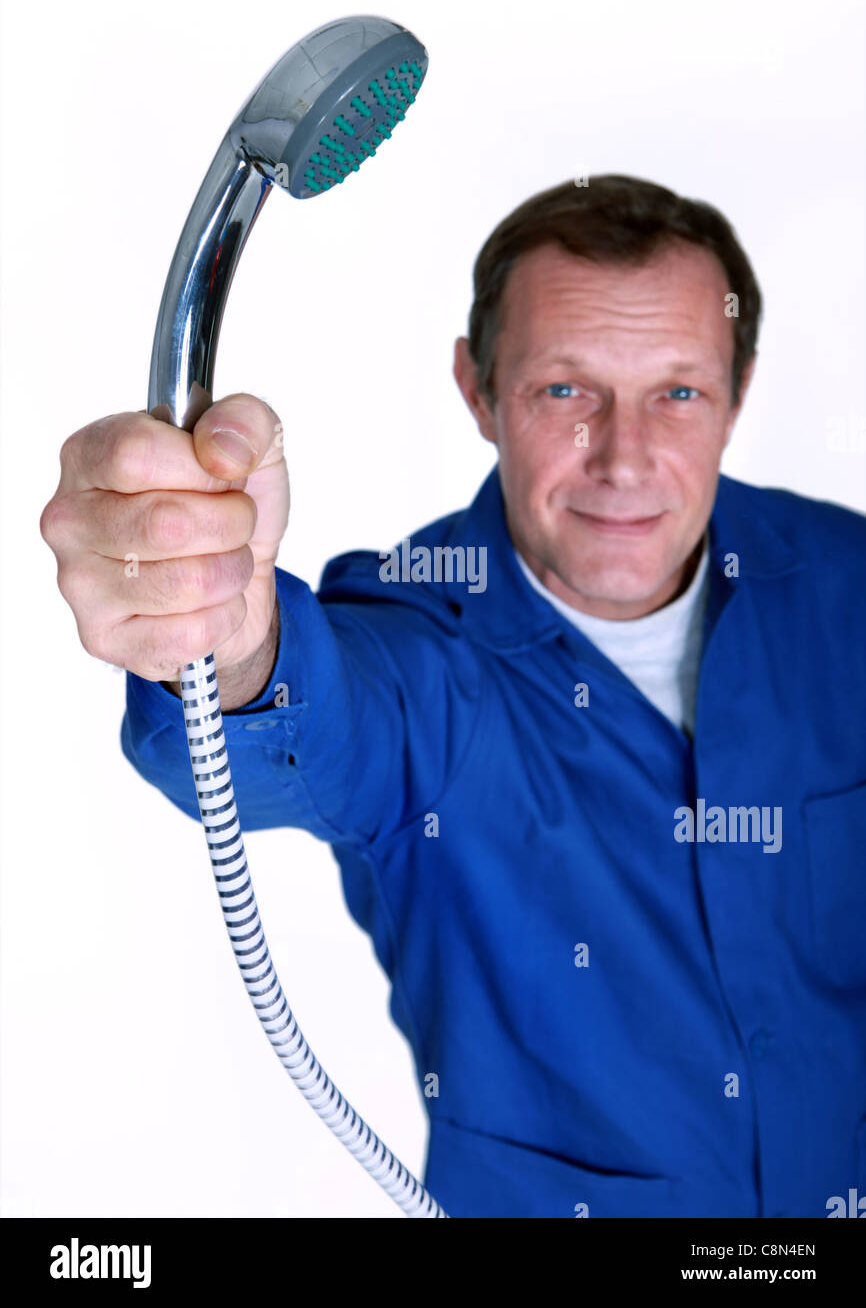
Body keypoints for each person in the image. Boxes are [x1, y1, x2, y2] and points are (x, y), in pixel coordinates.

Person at [40, 175, 866, 1219]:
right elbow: (320, 714)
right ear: (477, 391)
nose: (621, 459)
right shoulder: (425, 639)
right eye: (563, 391)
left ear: (736, 395)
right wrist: (217, 633)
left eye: (677, 392)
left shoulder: (848, 586)